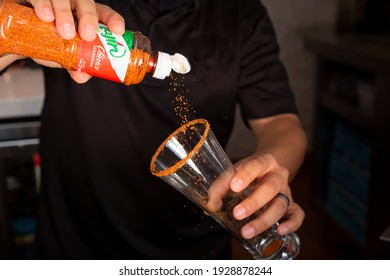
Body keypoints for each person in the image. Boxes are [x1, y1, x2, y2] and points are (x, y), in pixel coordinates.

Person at [0, 0, 307, 259]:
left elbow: (281, 123)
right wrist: (13, 26)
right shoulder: (81, 7)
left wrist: (271, 164)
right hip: (75, 246)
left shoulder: (240, 13)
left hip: (193, 253)